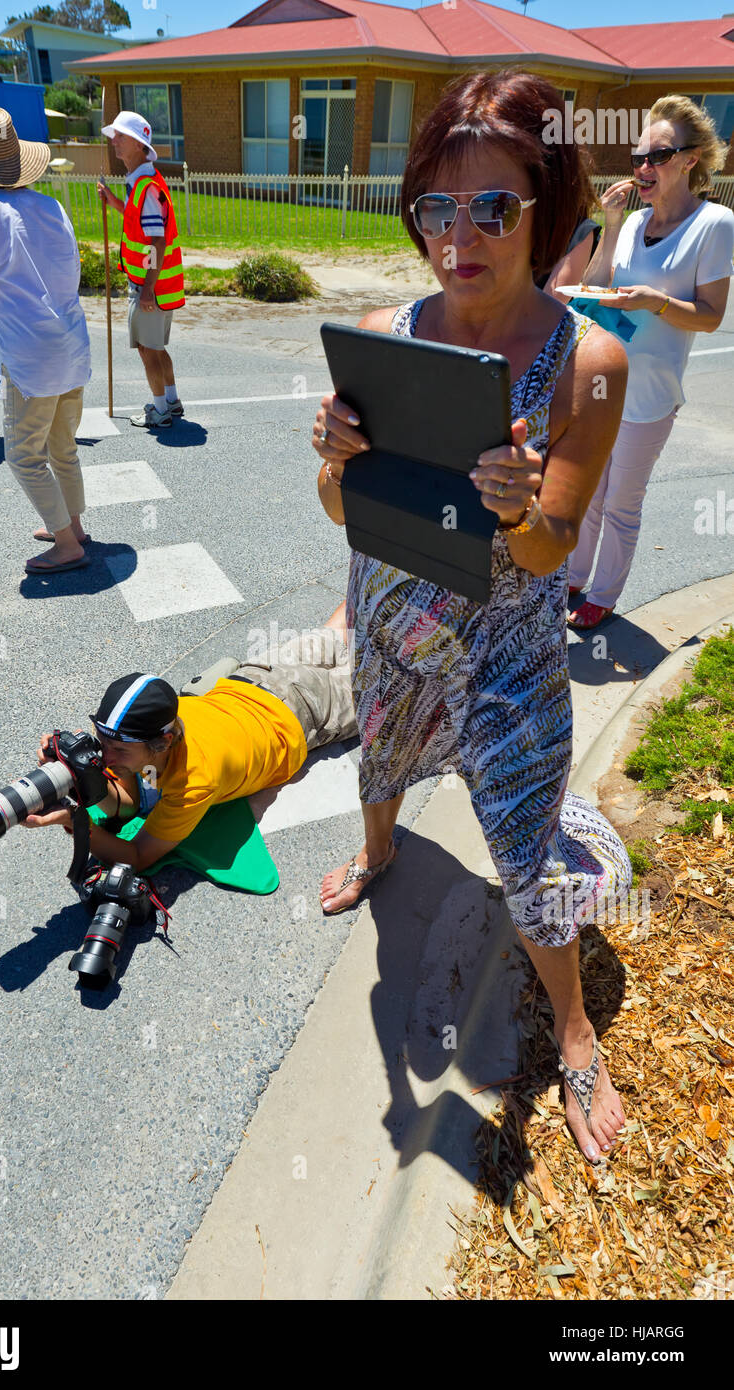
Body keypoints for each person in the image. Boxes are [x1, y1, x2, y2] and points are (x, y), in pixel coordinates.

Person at [312, 70, 635, 1167]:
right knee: (382, 750)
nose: (459, 238)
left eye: (492, 208)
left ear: (544, 207)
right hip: (395, 606)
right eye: (435, 210)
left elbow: (550, 549)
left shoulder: (585, 364)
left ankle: (576, 1030)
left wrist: (516, 502)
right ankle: (377, 849)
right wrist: (335, 459)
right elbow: (339, 511)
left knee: (523, 844)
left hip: (503, 643)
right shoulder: (382, 329)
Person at [567, 95, 734, 629]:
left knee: (621, 501)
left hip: (651, 395)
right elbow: (590, 290)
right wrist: (612, 222)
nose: (643, 168)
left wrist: (655, 301)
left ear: (691, 160)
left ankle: (604, 595)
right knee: (588, 490)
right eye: (638, 157)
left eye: (657, 157)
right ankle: (572, 580)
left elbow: (709, 317)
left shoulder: (715, 224)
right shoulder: (634, 220)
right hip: (602, 383)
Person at [24, 607, 355, 868]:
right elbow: (129, 801)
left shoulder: (192, 782)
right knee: (337, 629)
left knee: (398, 671)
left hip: (306, 709)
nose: (105, 758)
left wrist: (75, 822)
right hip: (256, 677)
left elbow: (137, 856)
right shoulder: (157, 722)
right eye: (101, 740)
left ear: (163, 744)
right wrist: (82, 780)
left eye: (119, 750)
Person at [0, 105, 93, 576]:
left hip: (30, 355)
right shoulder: (51, 206)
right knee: (62, 444)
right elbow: (72, 272)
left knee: (24, 454)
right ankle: (74, 526)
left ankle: (67, 545)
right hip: (70, 342)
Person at [97, 110, 185, 429]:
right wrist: (113, 202)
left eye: (120, 136)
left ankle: (160, 410)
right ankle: (171, 401)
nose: (114, 142)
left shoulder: (145, 188)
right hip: (159, 286)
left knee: (148, 350)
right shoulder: (144, 183)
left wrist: (147, 288)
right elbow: (140, 224)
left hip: (151, 288)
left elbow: (157, 242)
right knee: (156, 348)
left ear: (137, 144)